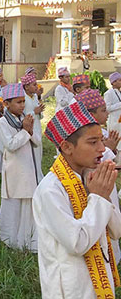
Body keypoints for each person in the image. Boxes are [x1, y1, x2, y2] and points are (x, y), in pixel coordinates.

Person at [34, 101, 121, 299]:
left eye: (101, 140)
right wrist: (98, 197)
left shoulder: (90, 176)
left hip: (99, 280)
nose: (102, 148)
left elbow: (117, 230)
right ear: (66, 147)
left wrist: (104, 194)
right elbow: (77, 243)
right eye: (93, 142)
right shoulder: (50, 190)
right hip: (70, 288)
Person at [75, 89, 121, 263]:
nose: (107, 112)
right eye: (102, 110)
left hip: (107, 184)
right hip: (96, 185)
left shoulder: (104, 133)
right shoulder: (81, 137)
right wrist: (109, 149)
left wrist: (112, 149)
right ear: (90, 114)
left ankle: (113, 258)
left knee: (112, 218)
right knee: (101, 221)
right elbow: (101, 160)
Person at [0, 83, 41, 252]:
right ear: (6, 104)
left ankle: (26, 239)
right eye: (18, 102)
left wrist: (28, 130)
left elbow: (37, 141)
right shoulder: (2, 123)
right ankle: (8, 237)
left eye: (23, 101)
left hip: (28, 167)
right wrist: (25, 131)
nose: (22, 105)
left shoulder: (24, 119)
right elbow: (11, 145)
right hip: (14, 169)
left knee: (28, 201)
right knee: (13, 202)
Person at [22, 74, 45, 179]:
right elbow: (23, 115)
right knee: (32, 153)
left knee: (38, 152)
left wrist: (39, 111)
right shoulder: (23, 98)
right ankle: (34, 177)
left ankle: (39, 174)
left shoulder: (35, 96)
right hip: (29, 129)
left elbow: (38, 114)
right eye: (34, 84)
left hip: (37, 127)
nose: (37, 87)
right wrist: (34, 111)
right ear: (26, 87)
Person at [105, 72, 121, 152]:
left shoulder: (119, 92)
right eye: (120, 80)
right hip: (114, 122)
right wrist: (119, 105)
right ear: (113, 82)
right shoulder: (108, 93)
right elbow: (107, 108)